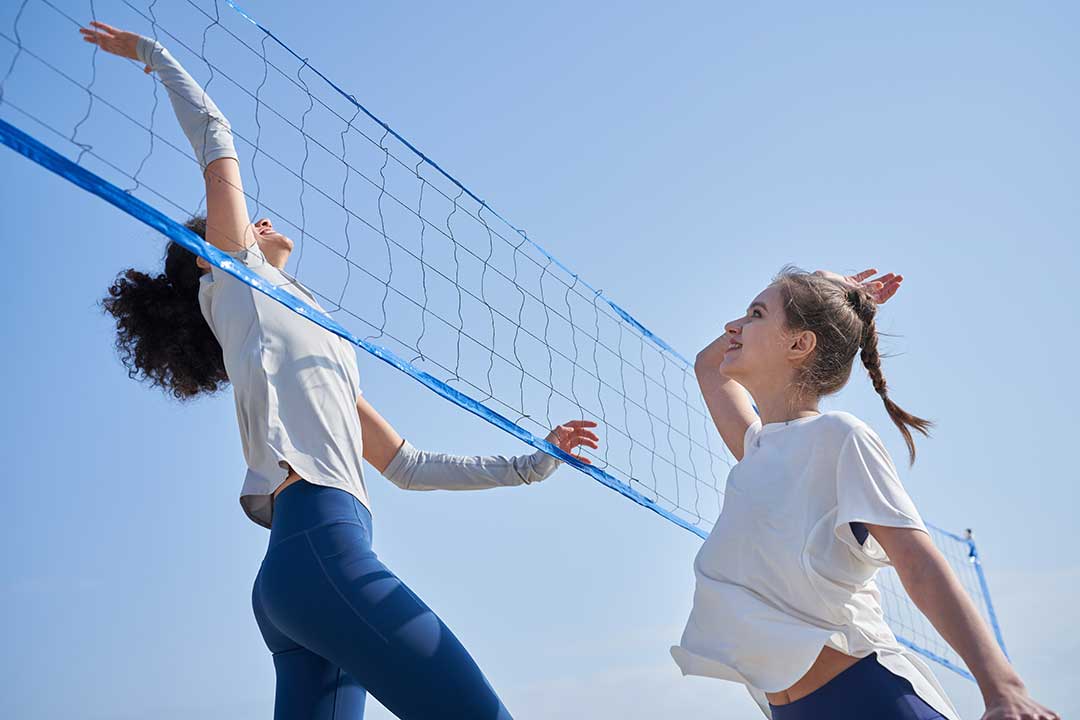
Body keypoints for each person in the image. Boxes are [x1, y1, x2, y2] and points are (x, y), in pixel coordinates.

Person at [82, 21, 600, 720]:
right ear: (208, 255)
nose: (257, 220)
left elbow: (408, 465)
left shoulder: (309, 338)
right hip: (318, 549)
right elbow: (216, 138)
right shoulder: (234, 280)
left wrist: (533, 463)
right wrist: (152, 54)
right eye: (236, 225)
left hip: (307, 565)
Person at [672, 267, 1058, 720]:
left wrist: (1003, 689)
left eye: (755, 314)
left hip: (868, 699)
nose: (732, 327)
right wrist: (838, 299)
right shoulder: (757, 447)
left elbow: (918, 564)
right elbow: (707, 366)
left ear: (799, 344)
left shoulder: (838, 437)